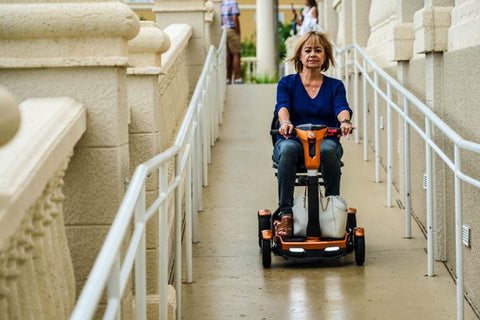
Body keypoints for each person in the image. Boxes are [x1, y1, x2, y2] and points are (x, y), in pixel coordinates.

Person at [273, 31, 353, 238]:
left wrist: (344, 121)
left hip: (324, 141)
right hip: (293, 140)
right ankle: (285, 213)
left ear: (325, 56)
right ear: (299, 55)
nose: (313, 55)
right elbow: (282, 106)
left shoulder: (335, 86)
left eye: (318, 50)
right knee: (288, 148)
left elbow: (342, 107)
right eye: (307, 50)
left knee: (327, 149)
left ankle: (332, 207)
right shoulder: (287, 83)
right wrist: (286, 122)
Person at [221, 0, 243, 84]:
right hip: (231, 30)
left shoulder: (221, 3)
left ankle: (228, 78)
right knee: (236, 54)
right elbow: (234, 18)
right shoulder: (233, 3)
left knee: (228, 54)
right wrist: (238, 32)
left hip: (223, 30)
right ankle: (238, 78)